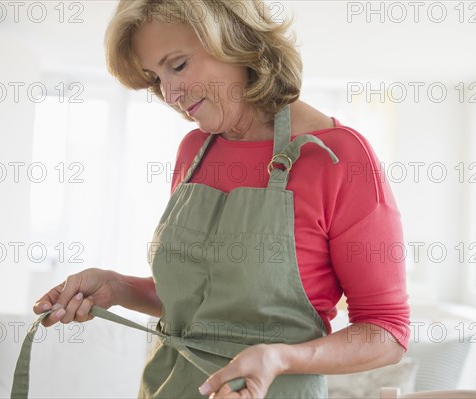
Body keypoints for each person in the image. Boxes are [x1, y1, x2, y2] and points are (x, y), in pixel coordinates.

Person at [33, 1, 410, 398]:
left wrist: (281, 358)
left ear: (237, 39)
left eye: (177, 65)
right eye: (155, 77)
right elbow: (204, 303)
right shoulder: (194, 151)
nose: (170, 93)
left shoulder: (339, 157)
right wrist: (117, 287)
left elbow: (386, 331)